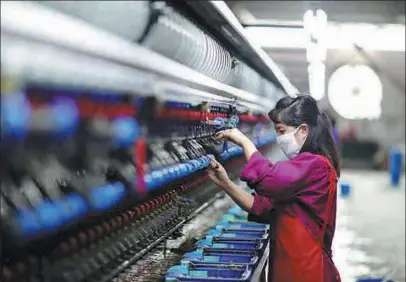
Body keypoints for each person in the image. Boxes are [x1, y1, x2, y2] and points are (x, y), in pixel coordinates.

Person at [207, 94, 341, 282]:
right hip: (293, 268)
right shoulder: (305, 166)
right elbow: (264, 207)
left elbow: (268, 179)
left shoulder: (316, 165)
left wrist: (245, 142)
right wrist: (226, 183)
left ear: (303, 130)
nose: (278, 137)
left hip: (308, 272)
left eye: (281, 130)